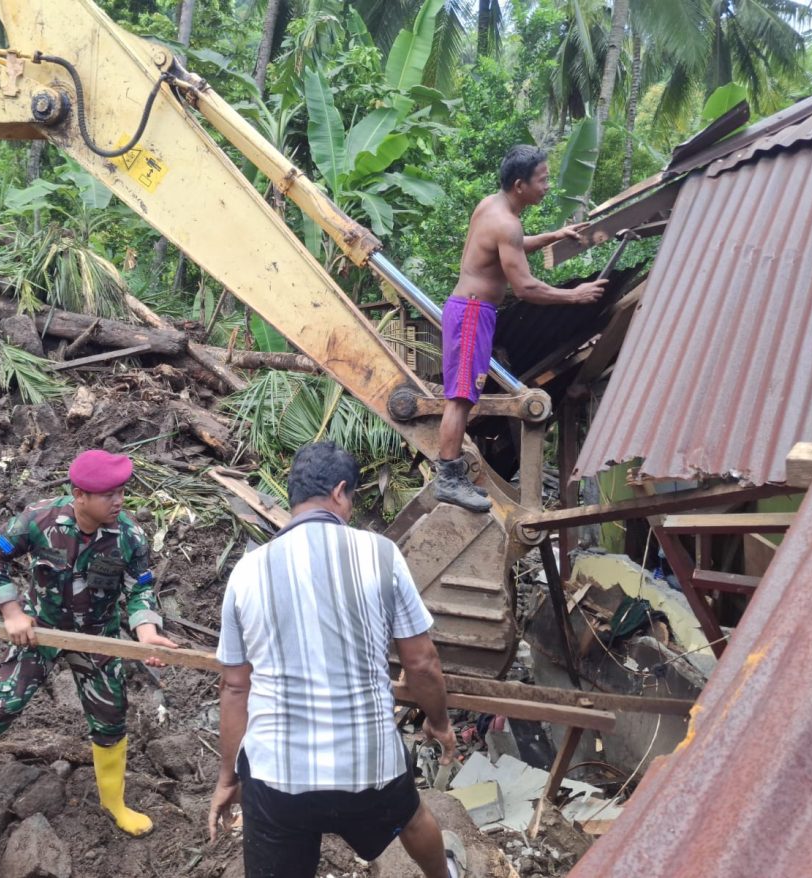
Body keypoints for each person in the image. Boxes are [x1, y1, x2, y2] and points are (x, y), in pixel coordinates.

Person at [209, 442, 464, 878]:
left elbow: (235, 687)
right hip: (368, 770)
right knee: (411, 814)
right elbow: (421, 664)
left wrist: (229, 778)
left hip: (277, 781)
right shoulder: (380, 554)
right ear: (341, 492)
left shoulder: (247, 571)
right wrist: (438, 722)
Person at [0, 449, 179, 838]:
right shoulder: (39, 520)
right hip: (40, 632)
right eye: (109, 494)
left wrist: (145, 631)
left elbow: (140, 588)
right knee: (3, 705)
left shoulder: (129, 537)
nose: (119, 501)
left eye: (122, 492)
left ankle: (114, 803)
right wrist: (12, 612)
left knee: (110, 718)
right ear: (80, 495)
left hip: (97, 638)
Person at [436, 144, 609, 511]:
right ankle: (448, 479)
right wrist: (576, 296)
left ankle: (452, 475)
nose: (547, 186)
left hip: (470, 311)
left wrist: (554, 235)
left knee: (465, 395)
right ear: (520, 184)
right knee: (461, 396)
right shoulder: (507, 222)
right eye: (542, 179)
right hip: (471, 314)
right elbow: (525, 288)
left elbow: (510, 247)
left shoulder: (493, 207)